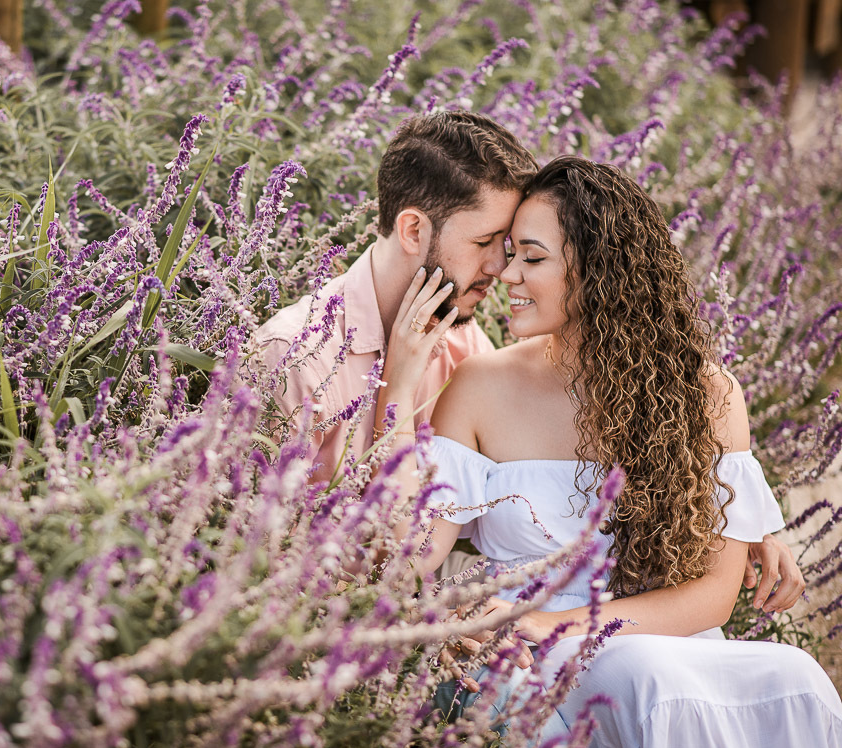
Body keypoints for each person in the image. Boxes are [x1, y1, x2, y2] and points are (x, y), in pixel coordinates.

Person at [393, 155, 842, 748]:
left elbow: (714, 597)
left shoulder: (707, 396)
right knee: (648, 677)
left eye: (532, 258)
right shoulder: (482, 386)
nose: (507, 275)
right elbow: (415, 553)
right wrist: (401, 389)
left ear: (598, 273)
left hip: (653, 639)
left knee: (792, 677)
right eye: (507, 253)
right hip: (519, 656)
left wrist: (549, 624)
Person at [251, 111, 804, 615]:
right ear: (415, 230)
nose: (501, 268)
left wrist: (733, 525)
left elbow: (527, 467)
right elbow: (254, 554)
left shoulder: (463, 345)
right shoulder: (293, 357)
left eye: (518, 251)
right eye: (489, 242)